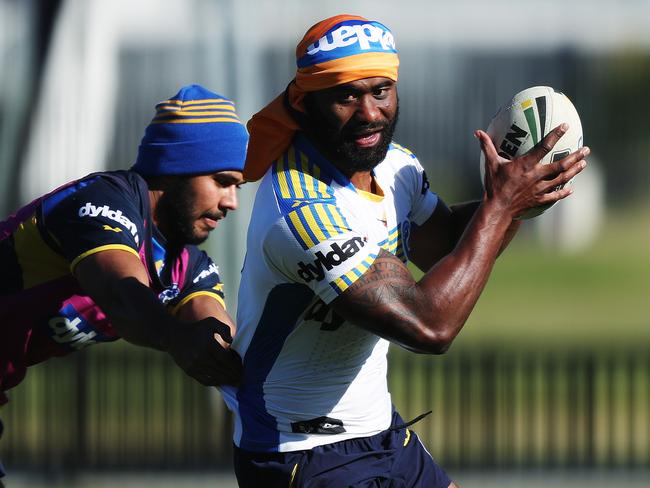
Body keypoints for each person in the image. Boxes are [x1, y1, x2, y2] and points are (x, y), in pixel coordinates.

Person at [220, 14, 589, 488]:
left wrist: (521, 197)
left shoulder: (396, 167)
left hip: (382, 434)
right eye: (345, 95)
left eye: (380, 91)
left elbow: (453, 247)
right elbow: (429, 326)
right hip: (300, 455)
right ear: (303, 102)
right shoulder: (302, 211)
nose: (370, 112)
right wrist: (503, 205)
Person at [0, 84, 247, 482]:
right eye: (222, 180)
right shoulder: (102, 200)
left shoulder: (189, 265)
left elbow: (222, 337)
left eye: (238, 186)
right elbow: (122, 293)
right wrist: (176, 337)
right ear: (176, 165)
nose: (232, 201)